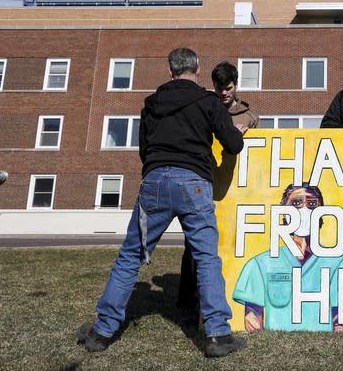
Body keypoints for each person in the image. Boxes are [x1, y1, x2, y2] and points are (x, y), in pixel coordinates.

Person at [77, 48, 248, 357]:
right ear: (197, 71)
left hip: (154, 181)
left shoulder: (151, 104)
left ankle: (102, 331)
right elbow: (233, 145)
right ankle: (218, 336)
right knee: (207, 258)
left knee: (130, 257)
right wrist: (236, 132)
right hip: (194, 183)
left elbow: (144, 150)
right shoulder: (209, 102)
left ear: (170, 72)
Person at [177, 61, 259, 314]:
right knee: (194, 244)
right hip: (204, 185)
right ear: (212, 86)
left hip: (236, 189)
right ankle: (187, 299)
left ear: (236, 85)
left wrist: (248, 134)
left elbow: (259, 155)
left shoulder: (251, 117)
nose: (224, 93)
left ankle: (231, 292)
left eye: (228, 87)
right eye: (219, 88)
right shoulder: (203, 107)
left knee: (234, 242)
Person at [232, 183, 343, 331]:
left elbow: (340, 323)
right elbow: (252, 319)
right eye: (296, 203)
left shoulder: (338, 266)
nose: (304, 209)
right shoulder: (260, 264)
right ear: (284, 213)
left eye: (312, 204)